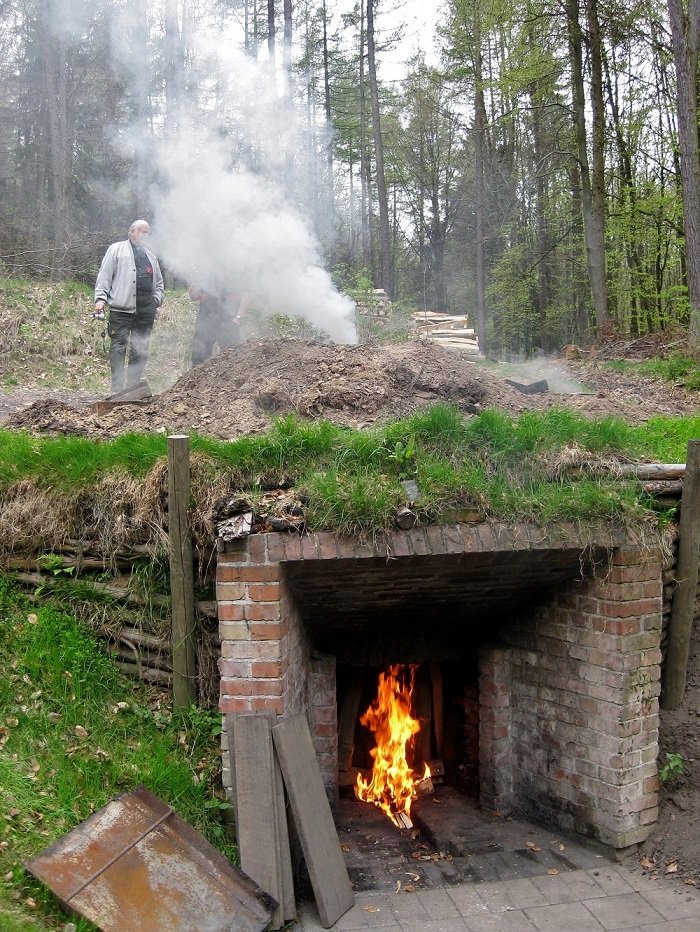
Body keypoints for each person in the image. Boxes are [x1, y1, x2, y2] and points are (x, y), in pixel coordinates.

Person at [94, 220, 164, 394]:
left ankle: (132, 388)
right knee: (118, 347)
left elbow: (160, 284)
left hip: (145, 311)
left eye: (148, 233)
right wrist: (100, 299)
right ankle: (117, 390)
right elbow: (105, 277)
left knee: (140, 349)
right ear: (131, 232)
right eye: (142, 232)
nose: (146, 236)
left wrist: (155, 300)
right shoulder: (116, 250)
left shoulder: (151, 257)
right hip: (121, 309)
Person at [188, 281, 250, 366]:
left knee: (232, 362)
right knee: (199, 362)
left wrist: (238, 318)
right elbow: (193, 297)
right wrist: (196, 282)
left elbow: (247, 293)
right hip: (205, 323)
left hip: (229, 321)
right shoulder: (205, 273)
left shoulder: (236, 271)